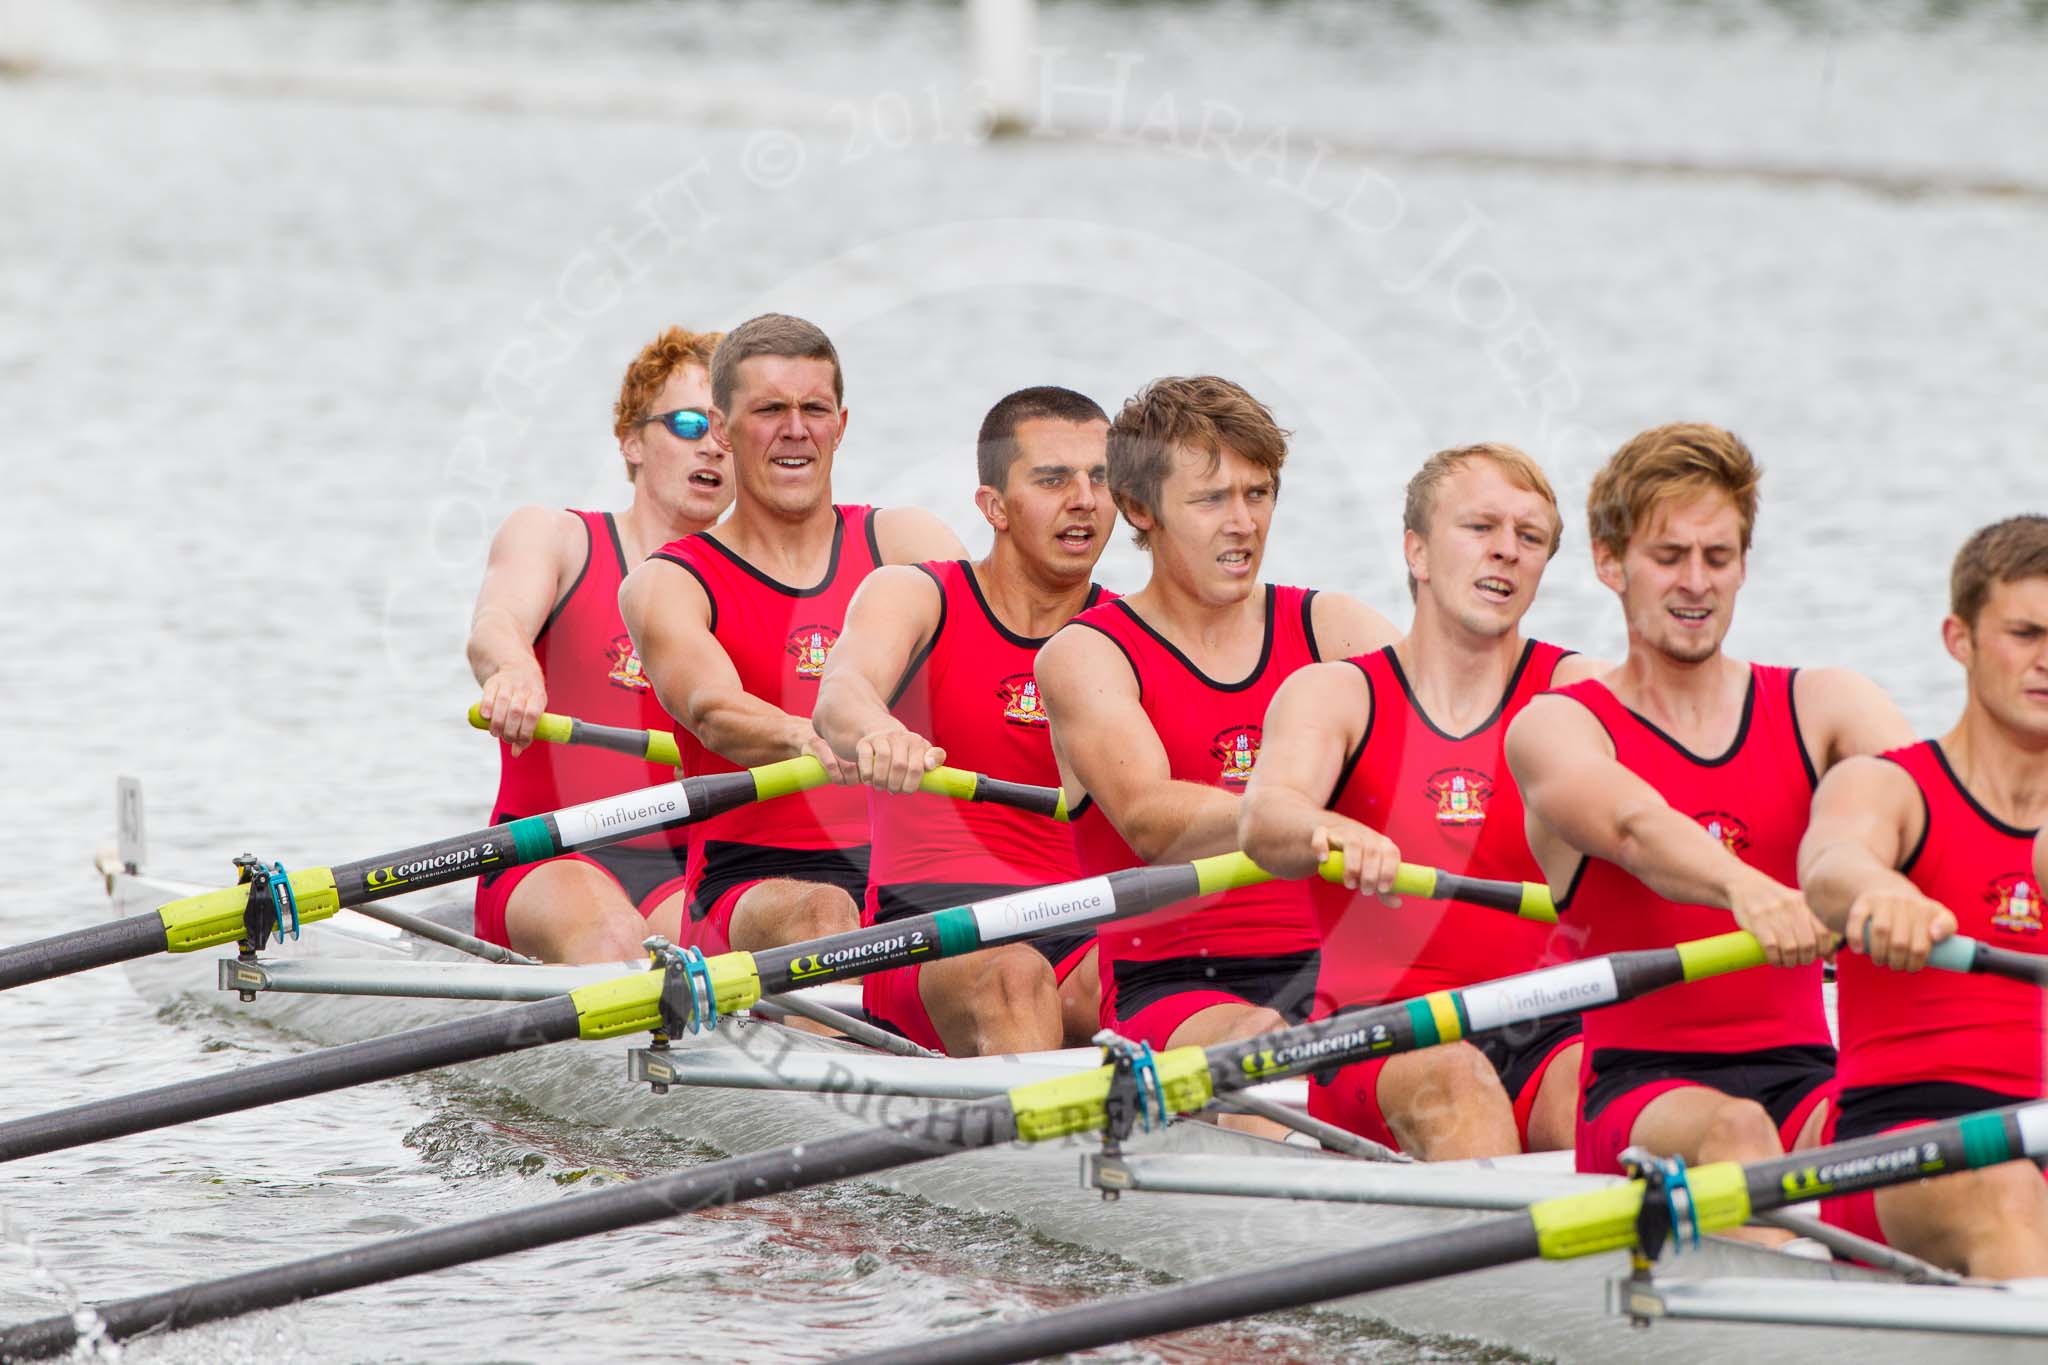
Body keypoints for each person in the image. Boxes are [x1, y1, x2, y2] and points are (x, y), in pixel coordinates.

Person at [1504, 422, 1913, 1192]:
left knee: (1904, 1133)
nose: (1696, 581)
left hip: (1805, 1072)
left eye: (1717, 557)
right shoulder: (1559, 725)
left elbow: (1922, 807)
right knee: (1738, 1130)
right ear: (1609, 561)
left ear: (1742, 566)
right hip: (1638, 1092)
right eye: (1668, 557)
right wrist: (1745, 888)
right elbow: (1636, 825)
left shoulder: (1826, 703)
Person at [1240, 443, 1602, 1158]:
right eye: (1480, 528)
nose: (1506, 551)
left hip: (1548, 1028)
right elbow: (1265, 819)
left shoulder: (1581, 693)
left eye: (1529, 538)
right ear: (1418, 551)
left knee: (1610, 1099)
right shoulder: (1338, 693)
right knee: (1460, 1086)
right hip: (1379, 1033)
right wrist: (1326, 828)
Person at [1036, 376, 1399, 1061]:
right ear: (1139, 507)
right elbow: (1147, 816)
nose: (1243, 522)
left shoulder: (1337, 628)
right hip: (1171, 988)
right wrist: (1296, 820)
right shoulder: (1087, 654)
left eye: (1257, 494)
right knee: (1268, 1044)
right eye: (1210, 499)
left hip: (1337, 976)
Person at [619, 314, 964, 957]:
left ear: (841, 424)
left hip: (911, 868)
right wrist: (812, 735)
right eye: (770, 409)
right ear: (722, 429)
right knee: (825, 915)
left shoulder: (908, 543)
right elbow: (712, 710)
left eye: (815, 409)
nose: (796, 430)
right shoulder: (669, 581)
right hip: (746, 880)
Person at [814, 387, 1116, 1055]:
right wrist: (878, 730)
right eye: (1053, 479)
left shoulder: (1132, 632)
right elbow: (841, 691)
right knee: (1014, 976)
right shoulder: (918, 594)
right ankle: (1043, 1157)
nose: (1085, 499)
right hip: (927, 930)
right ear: (994, 507)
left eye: (1100, 477)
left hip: (1082, 928)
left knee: (1203, 986)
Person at [1798, 515, 2048, 1276]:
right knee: (2007, 1193)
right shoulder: (1891, 784)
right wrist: (1880, 891)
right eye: (2026, 632)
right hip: (1900, 1147)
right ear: (1959, 639)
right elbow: (1831, 861)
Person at [467, 325, 732, 962]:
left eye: (728, 430)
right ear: (632, 441)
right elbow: (495, 625)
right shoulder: (557, 537)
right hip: (547, 853)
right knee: (618, 939)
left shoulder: (756, 584)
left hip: (682, 868)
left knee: (739, 954)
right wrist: (515, 672)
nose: (714, 449)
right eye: (690, 424)